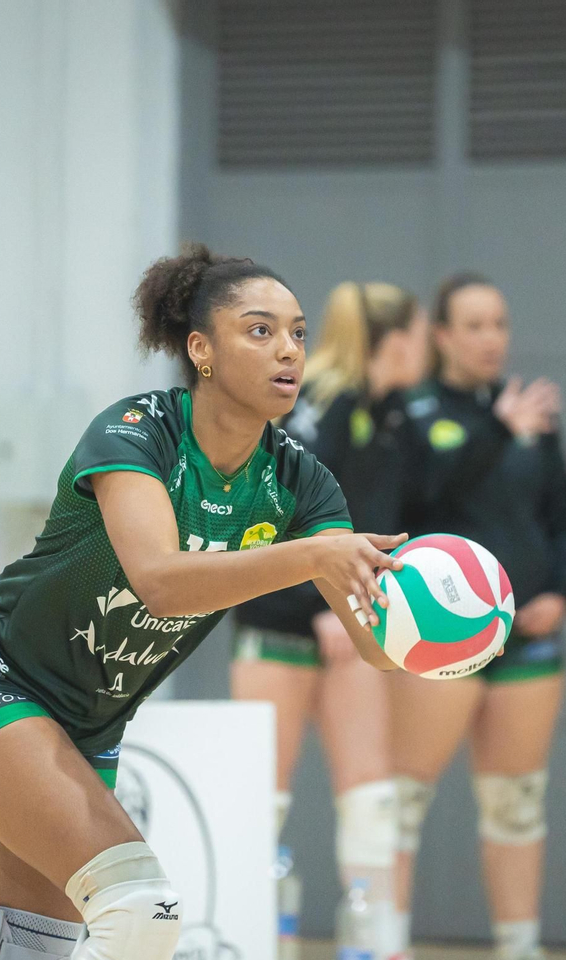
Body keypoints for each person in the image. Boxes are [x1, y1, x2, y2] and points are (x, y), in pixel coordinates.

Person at [0, 245, 406, 960]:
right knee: (140, 914)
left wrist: (435, 623)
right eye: (260, 330)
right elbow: (161, 583)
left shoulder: (302, 483)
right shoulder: (139, 433)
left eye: (298, 333)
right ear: (202, 349)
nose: (287, 350)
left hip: (84, 729)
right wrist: (312, 556)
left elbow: (374, 642)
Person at [382, 273, 566, 960]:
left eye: (499, 322)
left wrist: (562, 591)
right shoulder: (414, 412)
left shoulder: (534, 414)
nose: (491, 337)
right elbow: (420, 500)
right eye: (473, 324)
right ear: (441, 335)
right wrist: (497, 431)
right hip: (442, 640)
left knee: (517, 803)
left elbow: (563, 519)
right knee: (402, 800)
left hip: (527, 640)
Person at [230, 280, 428, 908]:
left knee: (372, 796)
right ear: (395, 342)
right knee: (261, 797)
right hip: (280, 621)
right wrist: (322, 607)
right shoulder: (321, 407)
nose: (427, 348)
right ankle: (241, 946)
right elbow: (276, 514)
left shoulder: (389, 414)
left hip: (352, 620)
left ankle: (381, 948)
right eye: (422, 334)